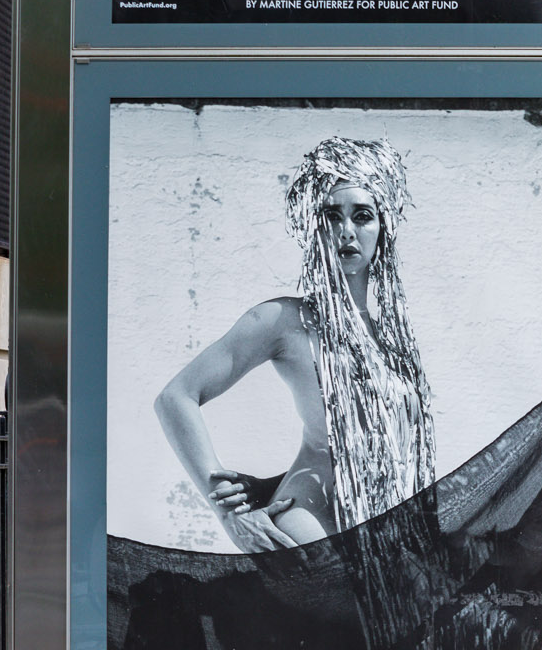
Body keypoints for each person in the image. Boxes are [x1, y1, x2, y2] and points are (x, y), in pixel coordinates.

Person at [155, 136, 435, 552]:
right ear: (314, 225)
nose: (346, 232)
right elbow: (175, 398)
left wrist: (264, 487)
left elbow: (374, 446)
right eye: (331, 215)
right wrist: (229, 513)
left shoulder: (392, 340)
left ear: (384, 228)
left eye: (362, 216)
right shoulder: (286, 319)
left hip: (385, 528)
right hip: (312, 520)